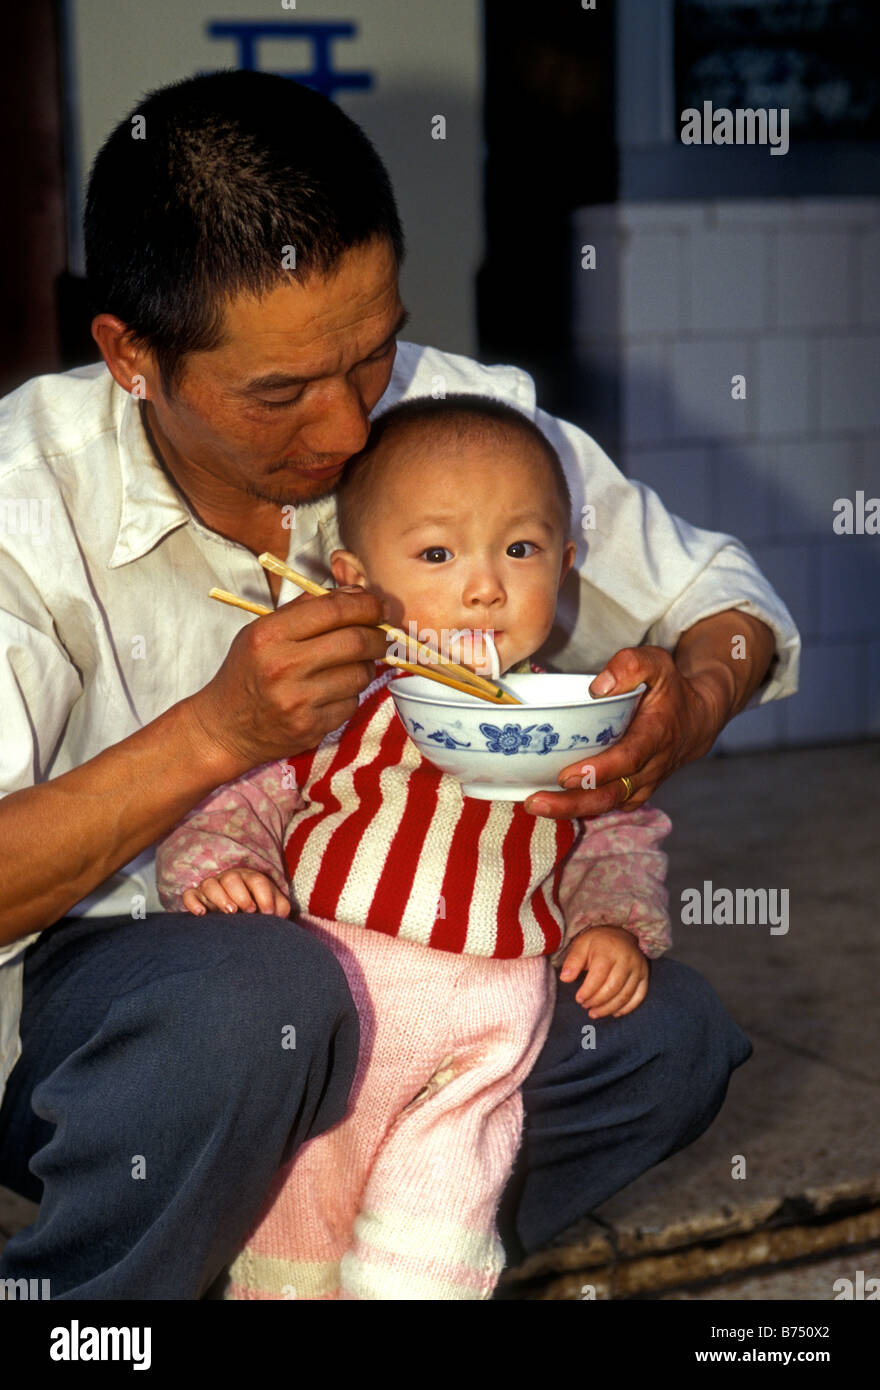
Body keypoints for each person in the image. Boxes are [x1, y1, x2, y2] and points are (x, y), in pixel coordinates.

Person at [0, 70, 798, 1300]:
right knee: (260, 992)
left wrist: (687, 703)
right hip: (123, 1014)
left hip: (425, 1000)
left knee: (667, 1036)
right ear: (131, 355)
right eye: (279, 392)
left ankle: (364, 1247)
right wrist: (220, 733)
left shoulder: (450, 413)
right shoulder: (22, 504)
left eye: (368, 353)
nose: (344, 429)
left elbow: (724, 599)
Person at [155, 395, 675, 1300]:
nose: (485, 587)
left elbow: (618, 834)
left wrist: (615, 923)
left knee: (440, 1222)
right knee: (298, 1216)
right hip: (334, 1019)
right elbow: (241, 797)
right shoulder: (333, 702)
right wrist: (225, 869)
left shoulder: (573, 718)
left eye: (521, 550)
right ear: (355, 579)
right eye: (437, 554)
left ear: (567, 560)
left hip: (485, 1033)